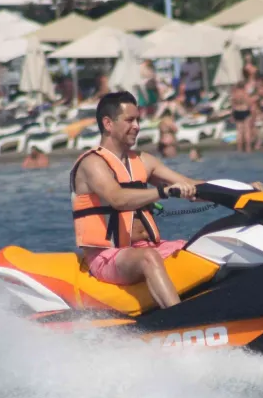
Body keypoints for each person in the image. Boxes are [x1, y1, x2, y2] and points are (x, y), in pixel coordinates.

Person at [70, 91, 203, 308]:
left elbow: (191, 185)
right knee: (147, 257)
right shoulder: (92, 163)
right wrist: (164, 192)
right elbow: (117, 198)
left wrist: (244, 190)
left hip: (149, 245)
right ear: (108, 124)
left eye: (138, 120)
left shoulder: (143, 160)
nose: (137, 126)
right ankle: (180, 322)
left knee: (203, 247)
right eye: (130, 120)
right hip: (108, 256)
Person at [230, 80, 253, 153]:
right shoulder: (245, 93)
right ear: (244, 86)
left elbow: (232, 105)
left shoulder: (234, 94)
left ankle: (239, 148)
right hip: (245, 110)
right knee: (247, 130)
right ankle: (248, 148)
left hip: (237, 111)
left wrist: (232, 115)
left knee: (239, 131)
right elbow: (249, 103)